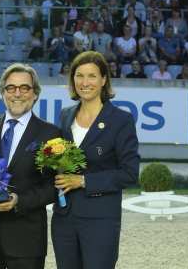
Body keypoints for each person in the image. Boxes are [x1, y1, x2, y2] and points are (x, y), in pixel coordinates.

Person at [0, 63, 61, 269]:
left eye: (24, 88)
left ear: (35, 94)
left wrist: (19, 201)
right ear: (3, 93)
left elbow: (55, 186)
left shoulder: (51, 134)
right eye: (11, 88)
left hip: (26, 240)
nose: (17, 93)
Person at [52, 51, 140, 269]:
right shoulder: (65, 115)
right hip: (64, 218)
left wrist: (83, 181)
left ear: (103, 80)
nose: (85, 82)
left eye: (92, 76)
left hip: (101, 219)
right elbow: (61, 162)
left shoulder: (121, 120)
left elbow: (129, 173)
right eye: (79, 76)